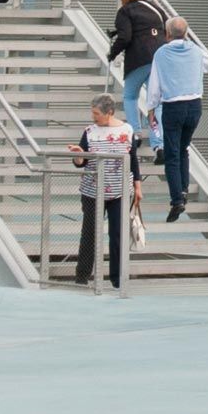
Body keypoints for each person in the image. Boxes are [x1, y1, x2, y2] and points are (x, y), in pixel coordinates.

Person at [149, 17, 208, 222]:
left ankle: (177, 198)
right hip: (194, 105)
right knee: (184, 147)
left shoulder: (161, 53)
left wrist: (151, 108)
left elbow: (155, 83)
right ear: (186, 33)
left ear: (167, 34)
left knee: (172, 154)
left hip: (173, 105)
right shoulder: (195, 51)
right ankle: (184, 189)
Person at [72, 94, 136, 288]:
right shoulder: (90, 131)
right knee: (89, 233)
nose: (94, 117)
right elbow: (80, 161)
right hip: (93, 190)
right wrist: (78, 156)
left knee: (117, 234)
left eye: (97, 113)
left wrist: (138, 185)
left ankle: (117, 278)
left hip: (121, 190)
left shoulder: (127, 130)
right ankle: (82, 275)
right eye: (92, 112)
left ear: (109, 113)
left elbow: (132, 159)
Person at [108, 0, 168, 120]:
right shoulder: (156, 9)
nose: (121, 0)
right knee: (155, 101)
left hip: (138, 59)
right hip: (158, 59)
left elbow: (125, 37)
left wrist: (112, 53)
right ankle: (157, 138)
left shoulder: (125, 11)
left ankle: (135, 132)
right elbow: (164, 29)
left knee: (130, 96)